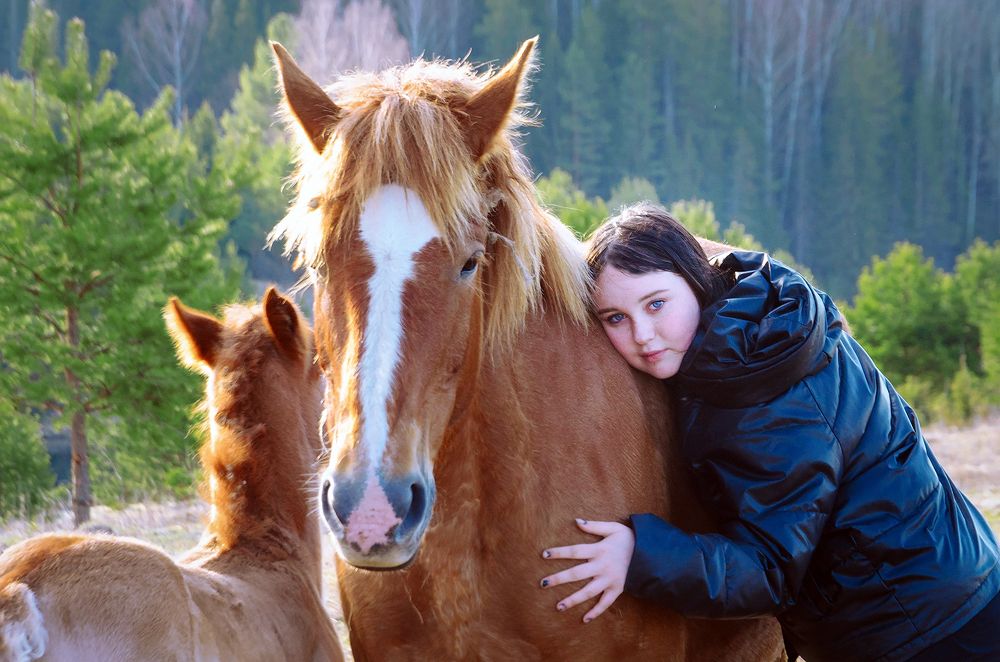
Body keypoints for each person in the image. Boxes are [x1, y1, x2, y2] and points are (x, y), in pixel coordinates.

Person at [539, 203, 1000, 661]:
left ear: (697, 283)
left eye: (656, 304)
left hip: (928, 627)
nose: (642, 334)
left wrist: (641, 554)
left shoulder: (766, 388)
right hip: (939, 590)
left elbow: (770, 572)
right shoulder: (761, 329)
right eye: (615, 317)